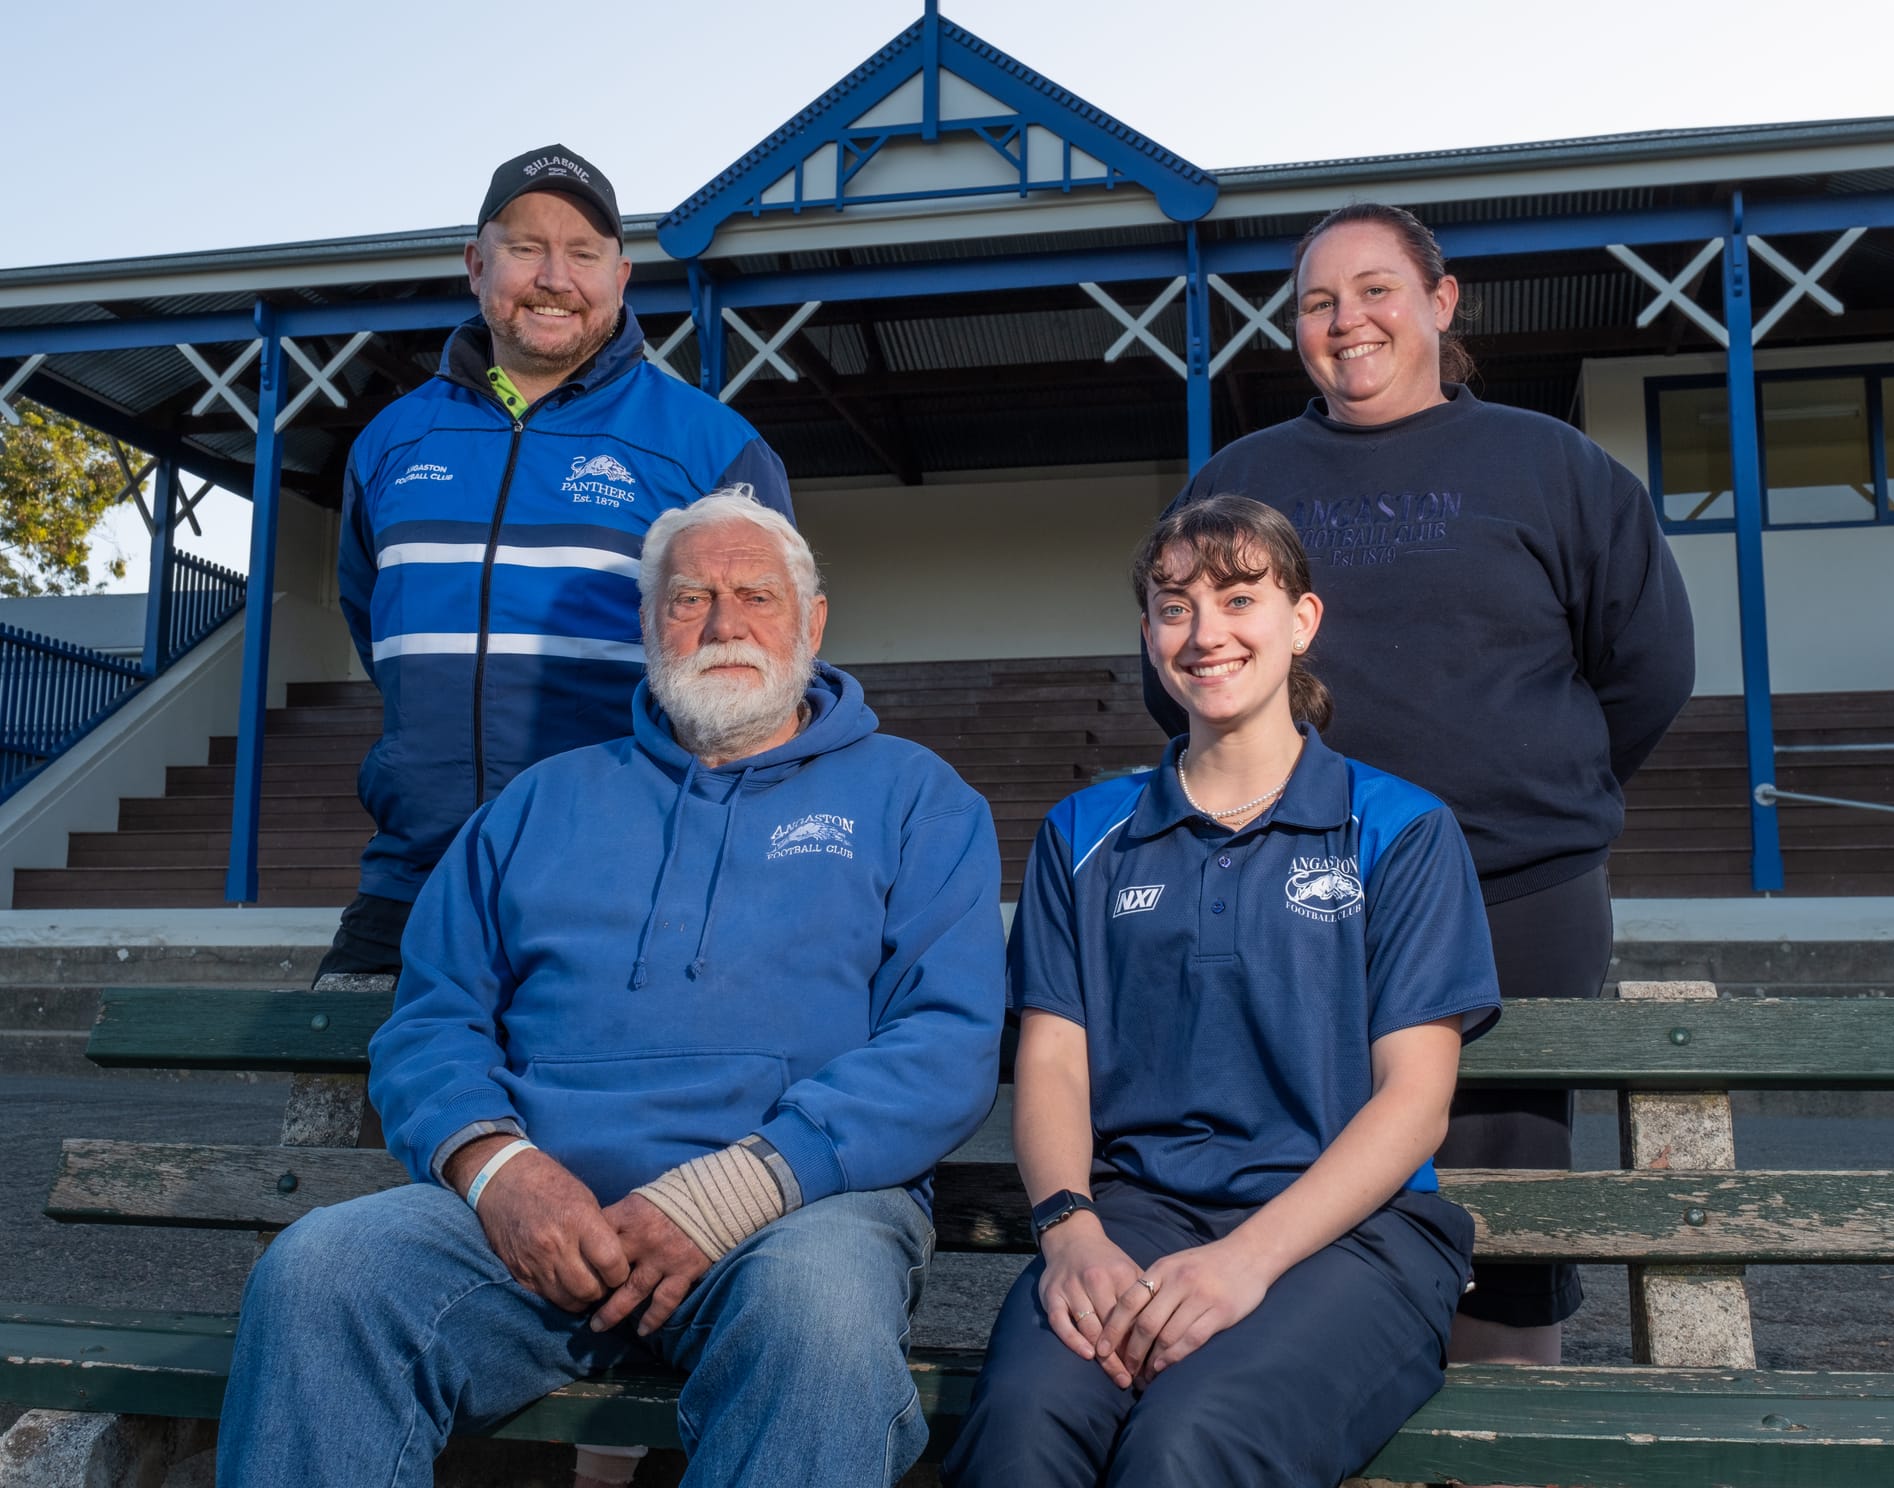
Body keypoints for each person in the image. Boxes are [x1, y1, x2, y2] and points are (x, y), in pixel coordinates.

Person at [219, 493, 1005, 1488]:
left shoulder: (915, 798)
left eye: (755, 596)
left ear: (811, 622)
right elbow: (433, 1023)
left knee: (818, 1323)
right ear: (647, 628)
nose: (723, 624)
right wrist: (500, 1173)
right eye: (689, 600)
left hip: (795, 1209)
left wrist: (726, 1193)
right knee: (323, 1274)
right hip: (538, 1218)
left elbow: (944, 1041)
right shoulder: (537, 804)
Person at [1145, 202, 1696, 1368]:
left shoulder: (1552, 466)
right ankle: (1296, 1404)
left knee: (1498, 1206)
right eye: (1315, 300)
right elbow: (1185, 664)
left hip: (1515, 897)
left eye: (1375, 289)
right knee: (1288, 1169)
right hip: (1297, 886)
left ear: (1439, 304)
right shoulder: (1242, 477)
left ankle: (1502, 1422)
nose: (1347, 321)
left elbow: (1646, 667)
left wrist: (1538, 795)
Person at [945, 496, 1503, 1486]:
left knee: (1185, 1443)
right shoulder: (1083, 834)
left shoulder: (1398, 829)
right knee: (1024, 1426)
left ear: (1300, 621)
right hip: (1132, 1220)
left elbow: (1413, 1104)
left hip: (1351, 1239)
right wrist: (1071, 1233)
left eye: (1237, 597)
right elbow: (1052, 1063)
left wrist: (1245, 1261)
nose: (1204, 633)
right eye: (1172, 605)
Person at [320, 143, 793, 980]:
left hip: (620, 883)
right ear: (476, 263)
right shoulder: (390, 443)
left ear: (621, 275)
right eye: (526, 248)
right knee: (341, 1101)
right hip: (412, 879)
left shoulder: (710, 445)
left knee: (574, 1115)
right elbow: (377, 629)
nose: (554, 277)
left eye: (583, 253)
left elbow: (763, 665)